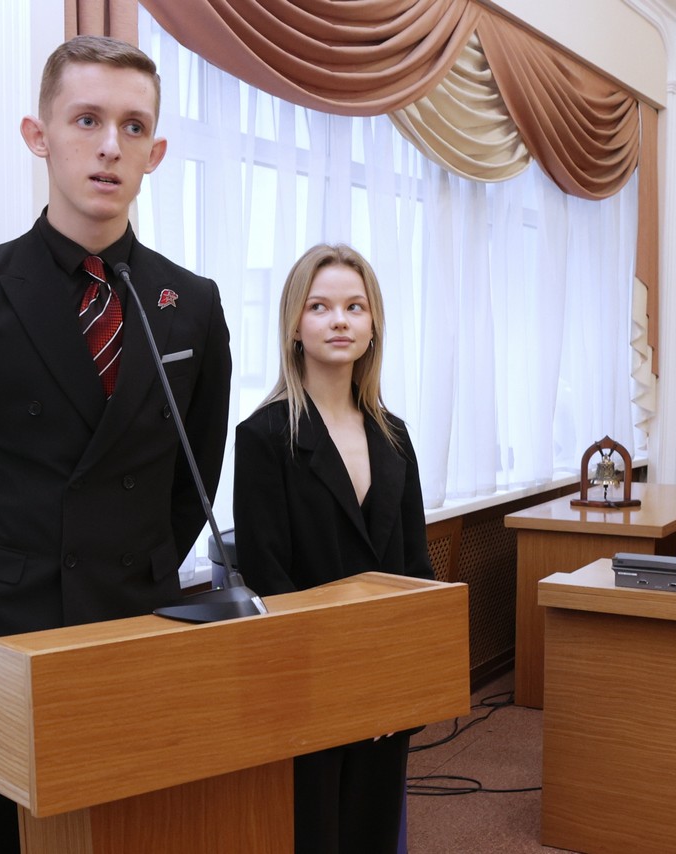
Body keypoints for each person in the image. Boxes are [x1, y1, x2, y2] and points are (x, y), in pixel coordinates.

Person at [0, 35, 232, 854]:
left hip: (128, 627)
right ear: (37, 136)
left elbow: (193, 475)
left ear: (155, 152)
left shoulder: (192, 303)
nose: (110, 145)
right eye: (86, 120)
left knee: (121, 836)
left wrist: (130, 569)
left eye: (133, 126)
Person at [232, 244, 432, 854]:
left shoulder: (395, 436)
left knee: (373, 832)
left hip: (386, 679)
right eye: (319, 307)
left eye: (354, 307)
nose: (339, 320)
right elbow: (269, 579)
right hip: (309, 684)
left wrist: (403, 686)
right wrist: (343, 683)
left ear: (373, 328)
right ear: (295, 325)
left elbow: (417, 570)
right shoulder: (264, 436)